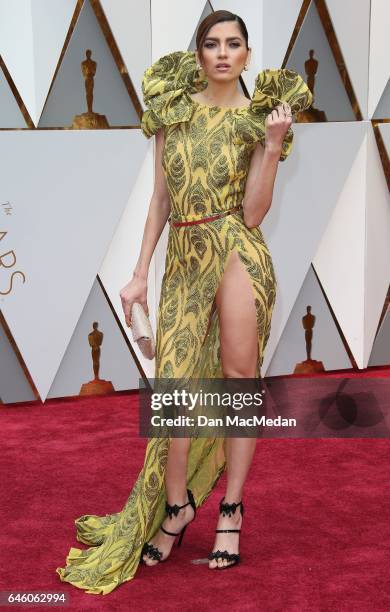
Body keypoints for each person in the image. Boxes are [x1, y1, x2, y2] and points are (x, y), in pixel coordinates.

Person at [56, 10, 312, 594]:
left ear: (247, 54)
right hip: (184, 255)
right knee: (176, 389)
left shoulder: (256, 120)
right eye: (212, 44)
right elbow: (160, 198)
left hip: (238, 252)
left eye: (234, 44)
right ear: (198, 54)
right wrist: (141, 270)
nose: (223, 53)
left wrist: (271, 145)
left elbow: (252, 214)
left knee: (237, 381)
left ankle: (232, 510)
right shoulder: (174, 109)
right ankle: (176, 506)